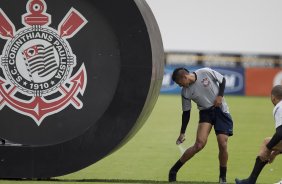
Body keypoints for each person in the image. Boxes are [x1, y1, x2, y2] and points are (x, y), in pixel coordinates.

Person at [168, 67, 233, 184]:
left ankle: (222, 177)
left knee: (222, 143)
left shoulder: (205, 72)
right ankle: (173, 171)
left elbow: (222, 79)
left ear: (184, 77)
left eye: (179, 83)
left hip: (221, 110)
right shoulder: (185, 92)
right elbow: (186, 113)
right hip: (205, 113)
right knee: (199, 145)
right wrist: (182, 132)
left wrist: (220, 96)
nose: (180, 86)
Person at [235, 85, 282, 184]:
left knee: (267, 143)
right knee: (269, 142)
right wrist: (275, 152)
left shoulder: (279, 107)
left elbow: (280, 133)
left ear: (273, 97)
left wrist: (269, 148)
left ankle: (250, 181)